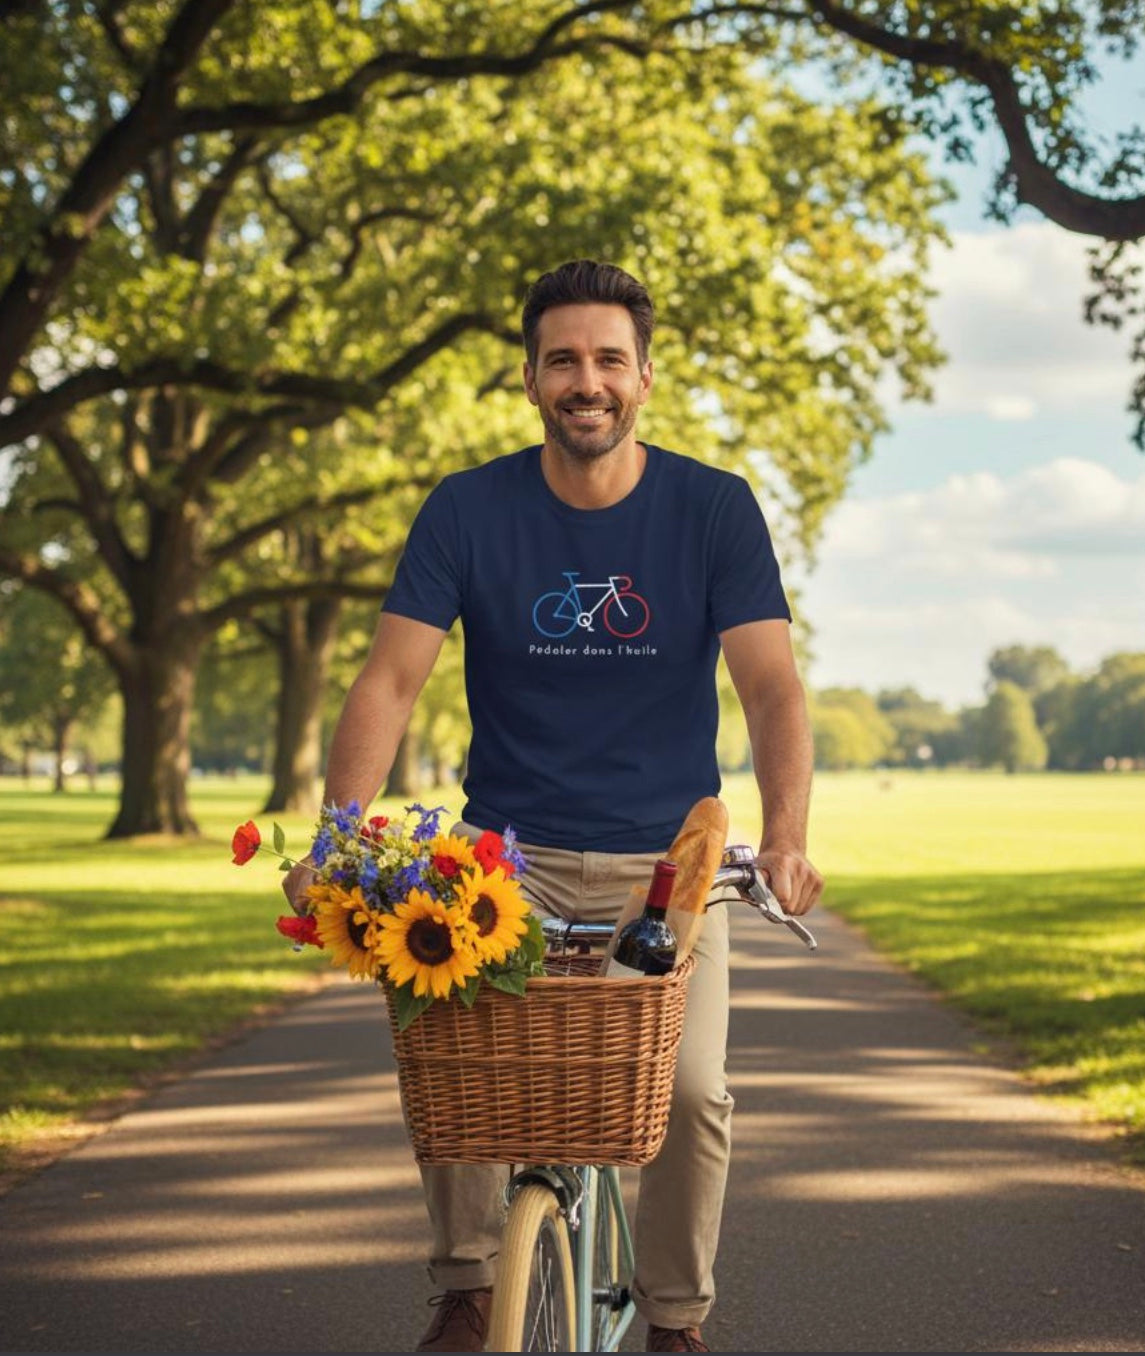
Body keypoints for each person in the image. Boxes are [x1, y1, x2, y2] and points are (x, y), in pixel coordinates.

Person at [283, 259, 823, 1353]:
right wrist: (336, 842)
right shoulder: (468, 508)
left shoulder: (712, 508)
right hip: (503, 863)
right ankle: (468, 1284)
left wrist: (790, 839)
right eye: (564, 360)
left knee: (691, 1092)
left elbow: (770, 686)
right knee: (444, 1047)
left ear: (644, 379)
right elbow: (391, 682)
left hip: (667, 870)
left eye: (608, 360)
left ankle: (674, 1320)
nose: (588, 380)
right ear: (530, 379)